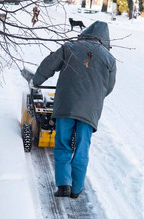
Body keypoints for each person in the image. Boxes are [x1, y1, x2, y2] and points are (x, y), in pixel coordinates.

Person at [30, 21, 117, 198]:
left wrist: (36, 81)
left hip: (66, 106)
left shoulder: (70, 47)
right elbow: (109, 87)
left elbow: (49, 65)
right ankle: (76, 189)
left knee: (62, 144)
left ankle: (64, 186)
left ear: (86, 33)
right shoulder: (110, 59)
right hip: (89, 111)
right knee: (82, 148)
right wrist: (93, 97)